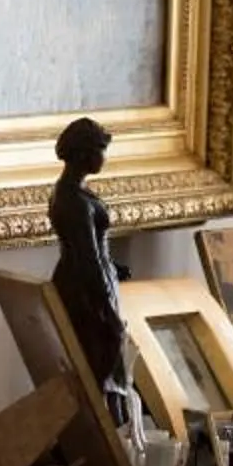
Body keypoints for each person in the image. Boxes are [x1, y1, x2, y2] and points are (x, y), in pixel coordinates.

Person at [50, 116, 137, 433]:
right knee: (100, 361)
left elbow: (95, 253)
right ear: (84, 154)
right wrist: (105, 310)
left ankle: (107, 429)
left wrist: (114, 268)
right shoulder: (73, 201)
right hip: (86, 291)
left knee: (105, 361)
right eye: (101, 150)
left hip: (95, 279)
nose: (104, 158)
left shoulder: (76, 193)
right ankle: (100, 433)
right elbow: (87, 258)